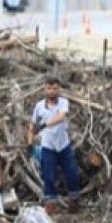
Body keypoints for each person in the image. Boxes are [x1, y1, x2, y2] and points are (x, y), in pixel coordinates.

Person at [28, 77, 80, 215]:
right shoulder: (39, 106)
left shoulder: (63, 102)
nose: (52, 91)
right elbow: (33, 125)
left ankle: (74, 202)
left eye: (55, 88)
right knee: (49, 177)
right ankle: (51, 207)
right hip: (48, 146)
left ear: (59, 89)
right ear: (45, 89)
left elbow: (61, 117)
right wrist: (30, 142)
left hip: (63, 145)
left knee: (72, 174)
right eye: (49, 88)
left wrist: (44, 125)